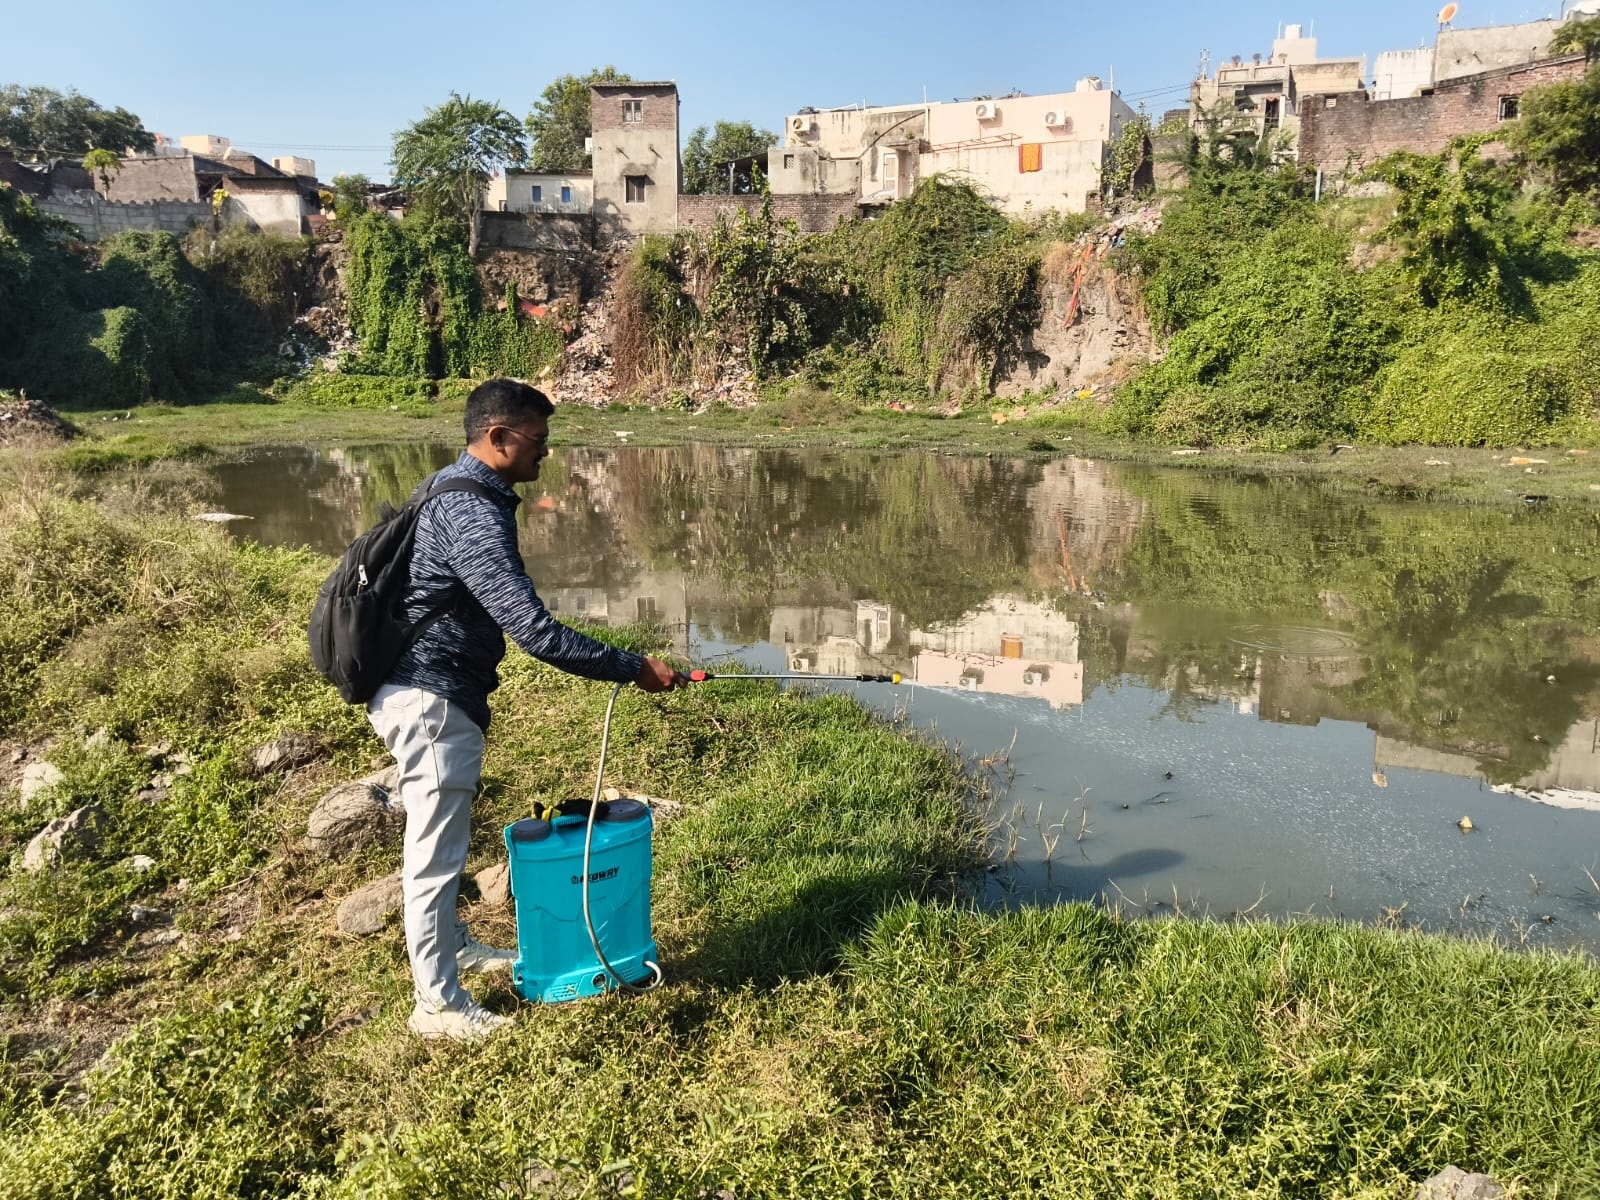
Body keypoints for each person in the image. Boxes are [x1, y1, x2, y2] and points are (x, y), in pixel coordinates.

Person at [366, 378, 685, 1041]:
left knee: (444, 839)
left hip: (434, 692)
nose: (545, 452)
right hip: (428, 699)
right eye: (537, 440)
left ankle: (452, 948)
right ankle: (438, 1007)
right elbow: (535, 632)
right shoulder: (471, 512)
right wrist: (634, 667)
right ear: (498, 437)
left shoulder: (457, 488)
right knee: (434, 855)